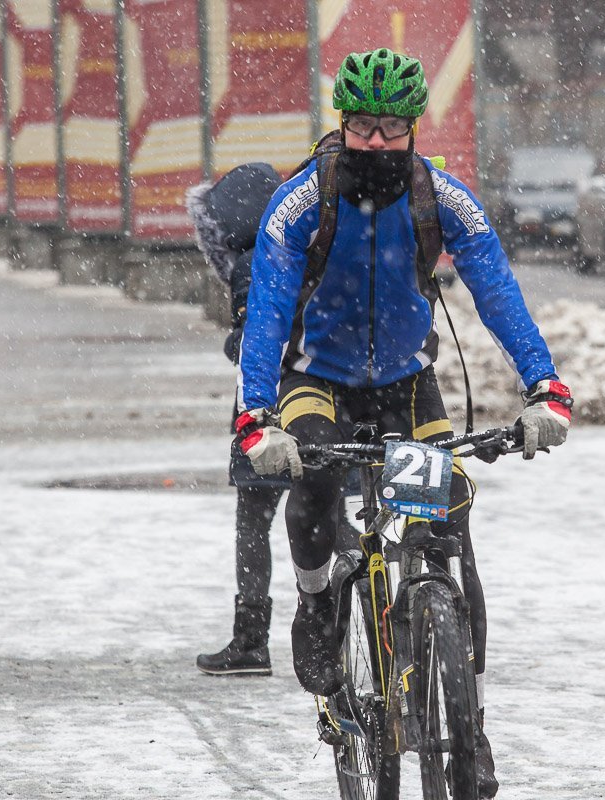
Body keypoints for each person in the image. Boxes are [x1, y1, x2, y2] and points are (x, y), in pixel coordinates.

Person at [235, 47, 574, 798]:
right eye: (364, 127)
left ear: (413, 127)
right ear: (343, 124)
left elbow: (498, 292)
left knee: (447, 516)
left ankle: (469, 725)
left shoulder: (441, 200)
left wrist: (543, 384)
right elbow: (265, 312)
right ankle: (318, 601)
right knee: (315, 492)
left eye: (392, 128)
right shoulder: (301, 202)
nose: (378, 142)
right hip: (317, 380)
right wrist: (256, 417)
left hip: (404, 384)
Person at [188, 164, 358, 677]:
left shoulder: (250, 263)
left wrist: (235, 342)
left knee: (254, 518)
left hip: (270, 403)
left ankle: (251, 639)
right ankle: (359, 612)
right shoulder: (312, 247)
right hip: (330, 396)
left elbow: (257, 340)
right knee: (331, 512)